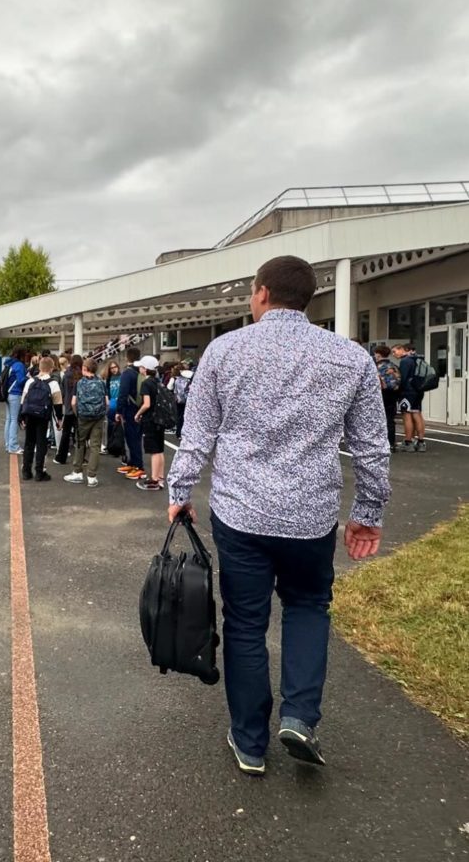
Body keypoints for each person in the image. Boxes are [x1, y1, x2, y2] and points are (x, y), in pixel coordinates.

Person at [167, 255, 390, 776]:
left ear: (263, 293)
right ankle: (299, 716)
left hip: (241, 513)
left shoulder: (224, 351)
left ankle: (249, 741)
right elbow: (372, 447)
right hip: (311, 516)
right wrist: (368, 511)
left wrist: (178, 491)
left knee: (245, 622)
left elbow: (197, 435)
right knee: (309, 607)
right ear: (306, 297)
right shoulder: (350, 358)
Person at [63, 357, 107, 487]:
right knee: (95, 446)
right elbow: (107, 402)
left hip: (83, 417)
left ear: (84, 369)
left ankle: (77, 472)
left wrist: (78, 414)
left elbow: (73, 402)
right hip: (98, 417)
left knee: (80, 443)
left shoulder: (79, 383)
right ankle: (92, 477)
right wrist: (102, 413)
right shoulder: (101, 383)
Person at [20, 355, 63, 481]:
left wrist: (21, 417)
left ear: (39, 367)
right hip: (43, 417)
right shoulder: (53, 383)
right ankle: (40, 472)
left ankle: (26, 471)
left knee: (29, 443)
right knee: (41, 443)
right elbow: (58, 404)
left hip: (29, 416)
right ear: (51, 368)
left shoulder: (30, 381)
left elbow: (24, 401)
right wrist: (59, 420)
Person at [134, 355, 166, 491]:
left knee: (154, 451)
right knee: (160, 450)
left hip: (151, 419)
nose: (139, 368)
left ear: (145, 369)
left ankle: (154, 479)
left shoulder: (146, 383)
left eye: (141, 366)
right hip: (160, 418)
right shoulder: (158, 381)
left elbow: (146, 404)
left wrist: (138, 413)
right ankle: (160, 478)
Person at [114, 347, 146, 481]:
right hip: (141, 407)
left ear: (127, 357)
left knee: (132, 437)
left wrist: (119, 411)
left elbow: (122, 394)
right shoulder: (141, 371)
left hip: (130, 408)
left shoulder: (127, 373)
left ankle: (138, 466)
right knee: (136, 437)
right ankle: (132, 463)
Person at [394, 343, 426, 452]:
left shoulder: (405, 361)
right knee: (417, 414)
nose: (394, 354)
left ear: (403, 349)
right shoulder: (418, 359)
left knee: (406, 415)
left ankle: (408, 441)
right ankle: (421, 441)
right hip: (418, 390)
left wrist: (397, 390)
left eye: (395, 351)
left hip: (407, 392)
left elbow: (403, 378)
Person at [53, 354, 83, 465]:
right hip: (81, 408)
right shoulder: (82, 375)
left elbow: (63, 392)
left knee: (66, 434)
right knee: (80, 435)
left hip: (69, 408)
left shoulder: (66, 375)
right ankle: (81, 458)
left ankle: (61, 457)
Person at [374, 345, 400, 452]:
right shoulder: (393, 366)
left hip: (380, 395)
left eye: (375, 354)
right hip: (392, 395)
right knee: (390, 419)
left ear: (378, 354)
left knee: (378, 420)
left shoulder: (376, 367)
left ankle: (379, 443)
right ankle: (391, 443)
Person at [3, 346, 28, 454]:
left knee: (9, 419)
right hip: (16, 393)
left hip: (7, 393)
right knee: (14, 420)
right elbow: (21, 380)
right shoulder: (19, 365)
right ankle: (13, 446)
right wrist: (29, 377)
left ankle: (8, 444)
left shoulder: (9, 363)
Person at [101, 359, 121, 454]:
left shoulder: (122, 377)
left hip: (120, 403)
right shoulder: (108, 379)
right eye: (111, 368)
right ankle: (110, 445)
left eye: (115, 367)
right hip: (111, 403)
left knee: (119, 427)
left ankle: (119, 447)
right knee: (110, 426)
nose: (113, 369)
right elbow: (107, 393)